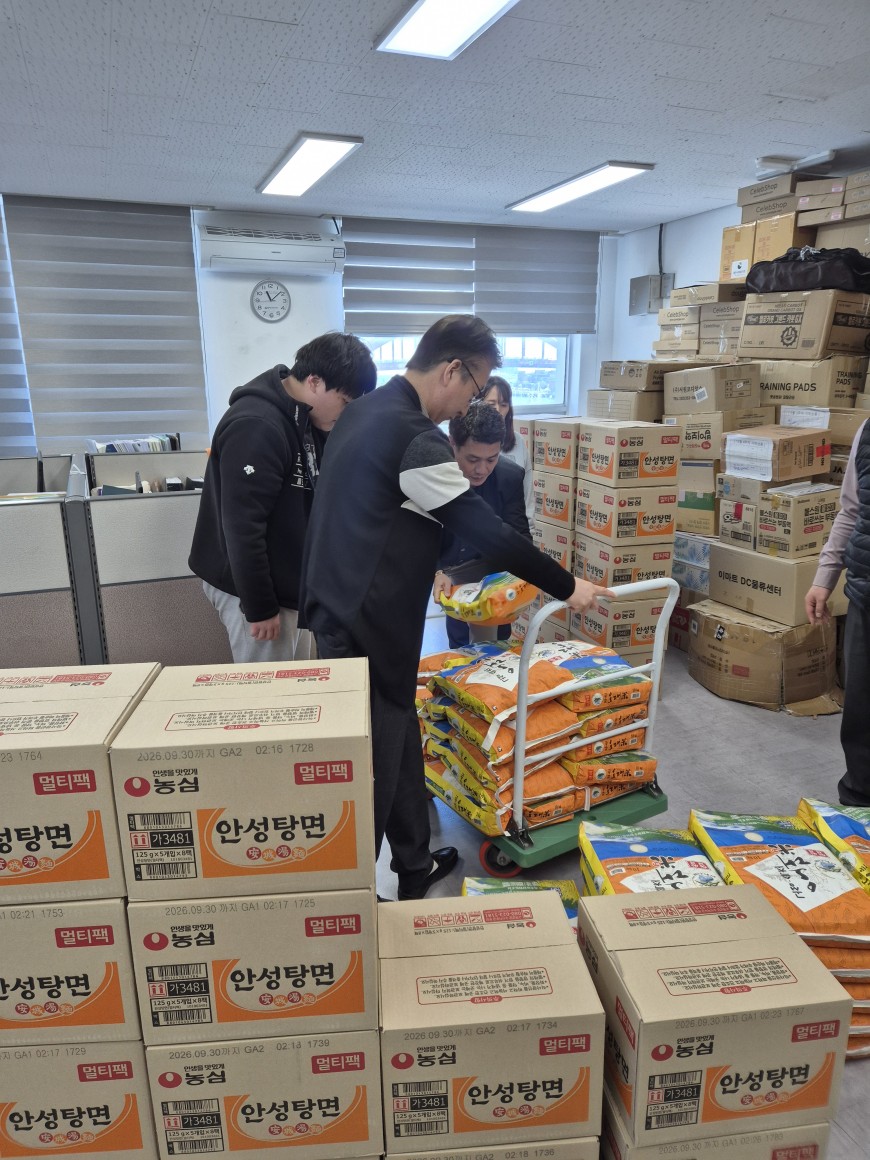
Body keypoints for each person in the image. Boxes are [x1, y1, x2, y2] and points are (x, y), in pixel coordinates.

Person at [301, 314, 612, 900]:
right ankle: (353, 901)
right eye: (475, 385)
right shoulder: (414, 437)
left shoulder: (364, 411)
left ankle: (414, 862)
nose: (473, 400)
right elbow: (486, 530)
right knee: (370, 766)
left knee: (399, 736)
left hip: (340, 608)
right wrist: (567, 584)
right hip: (369, 624)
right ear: (451, 370)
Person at [189, 333, 376, 662]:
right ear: (314, 382)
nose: (347, 413)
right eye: (345, 402)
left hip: (288, 585)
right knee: (269, 686)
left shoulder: (307, 419)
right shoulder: (257, 425)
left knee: (295, 680)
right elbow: (242, 526)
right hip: (253, 590)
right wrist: (260, 607)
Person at [806, 418, 869, 806]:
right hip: (865, 595)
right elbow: (851, 511)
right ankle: (859, 806)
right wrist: (824, 577)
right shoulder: (868, 431)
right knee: (861, 717)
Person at [435, 400, 531, 648]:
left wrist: (521, 580)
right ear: (452, 444)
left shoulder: (509, 476)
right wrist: (437, 571)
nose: (481, 469)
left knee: (497, 641)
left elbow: (519, 537)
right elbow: (418, 537)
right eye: (473, 459)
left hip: (492, 569)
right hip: (448, 567)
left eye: (491, 459)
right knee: (459, 640)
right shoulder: (433, 474)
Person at [481, 375, 535, 528]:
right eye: (491, 404)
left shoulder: (518, 441)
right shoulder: (471, 443)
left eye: (503, 405)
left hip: (515, 525)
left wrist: (529, 528)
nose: (498, 410)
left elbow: (527, 491)